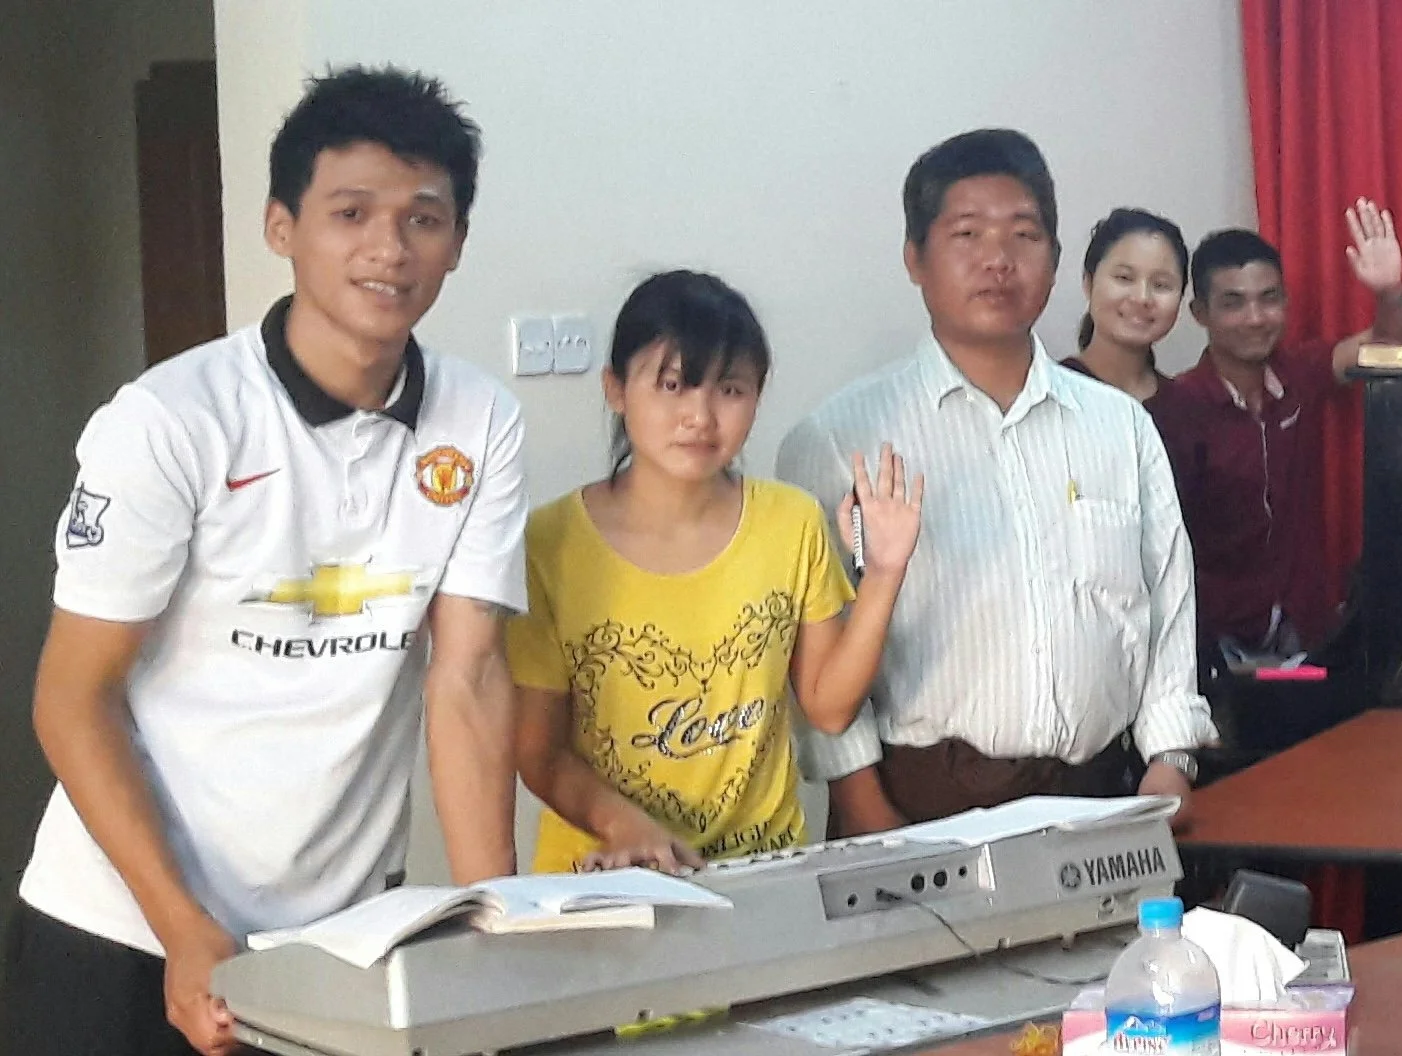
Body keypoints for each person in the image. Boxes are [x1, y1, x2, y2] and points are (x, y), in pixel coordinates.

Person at [1, 67, 528, 1056]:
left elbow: (468, 678)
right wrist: (184, 929)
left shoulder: (480, 421)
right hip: (118, 929)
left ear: (458, 242)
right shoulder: (171, 421)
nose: (388, 247)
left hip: (332, 941)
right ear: (281, 226)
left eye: (424, 218)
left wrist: (490, 913)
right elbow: (72, 695)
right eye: (351, 212)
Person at [777, 129, 1216, 839]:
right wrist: (861, 802)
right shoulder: (838, 441)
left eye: (1023, 234)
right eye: (967, 234)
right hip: (916, 802)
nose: (998, 260)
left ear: (1054, 261)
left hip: (1097, 800)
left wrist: (1169, 756)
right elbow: (819, 647)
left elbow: (1167, 599)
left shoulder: (1121, 428)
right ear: (915, 259)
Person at [506, 270, 924, 875]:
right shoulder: (550, 543)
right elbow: (539, 754)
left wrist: (884, 574)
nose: (699, 416)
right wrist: (628, 827)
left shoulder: (791, 522)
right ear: (616, 389)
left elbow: (829, 709)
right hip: (604, 882)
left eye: (729, 390)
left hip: (760, 876)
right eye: (673, 385)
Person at [1163, 199, 1402, 660]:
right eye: (1233, 303)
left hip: (1307, 623)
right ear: (1200, 312)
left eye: (1269, 298)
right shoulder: (1178, 407)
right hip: (1218, 638)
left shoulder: (1301, 372)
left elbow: (1391, 348)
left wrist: (1390, 290)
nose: (1255, 318)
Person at [1060, 207, 1190, 410]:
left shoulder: (1189, 410)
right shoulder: (1052, 394)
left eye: (1161, 285)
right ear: (1088, 282)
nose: (1142, 298)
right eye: (1124, 278)